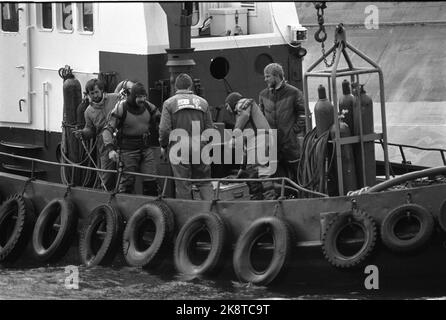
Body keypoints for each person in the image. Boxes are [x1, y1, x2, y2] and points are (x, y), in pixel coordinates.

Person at [159, 73, 214, 200]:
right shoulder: (203, 103)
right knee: (204, 182)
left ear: (176, 87)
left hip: (178, 147)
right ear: (190, 86)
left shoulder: (169, 104)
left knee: (183, 184)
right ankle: (212, 214)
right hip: (200, 146)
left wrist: (163, 145)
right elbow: (210, 129)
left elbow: (164, 130)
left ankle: (188, 216)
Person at [102, 82, 161, 195]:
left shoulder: (148, 106)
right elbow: (107, 130)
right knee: (127, 184)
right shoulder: (121, 108)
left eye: (144, 96)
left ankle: (151, 208)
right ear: (133, 96)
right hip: (127, 151)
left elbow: (161, 121)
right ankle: (124, 208)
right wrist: (110, 149)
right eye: (139, 97)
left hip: (145, 148)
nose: (142, 99)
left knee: (151, 182)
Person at [259, 63, 306, 181]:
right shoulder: (263, 94)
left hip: (290, 144)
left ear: (276, 76)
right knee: (276, 178)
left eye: (267, 76)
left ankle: (301, 196)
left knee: (298, 176)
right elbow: (261, 118)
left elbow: (304, 114)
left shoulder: (294, 92)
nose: (265, 79)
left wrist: (294, 132)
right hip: (272, 145)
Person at [225, 92, 276, 200]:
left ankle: (270, 201)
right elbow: (245, 150)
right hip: (259, 142)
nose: (226, 108)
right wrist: (241, 171)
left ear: (232, 102)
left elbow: (244, 115)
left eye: (227, 105)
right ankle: (256, 200)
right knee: (252, 172)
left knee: (263, 173)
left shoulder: (242, 103)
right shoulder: (246, 123)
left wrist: (235, 135)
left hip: (261, 140)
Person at [73, 78, 120, 191]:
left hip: (121, 140)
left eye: (96, 92)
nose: (94, 95)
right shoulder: (88, 111)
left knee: (124, 172)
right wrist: (83, 134)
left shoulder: (115, 98)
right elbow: (90, 129)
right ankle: (106, 196)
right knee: (106, 175)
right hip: (103, 145)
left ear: (102, 90)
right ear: (88, 94)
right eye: (92, 93)